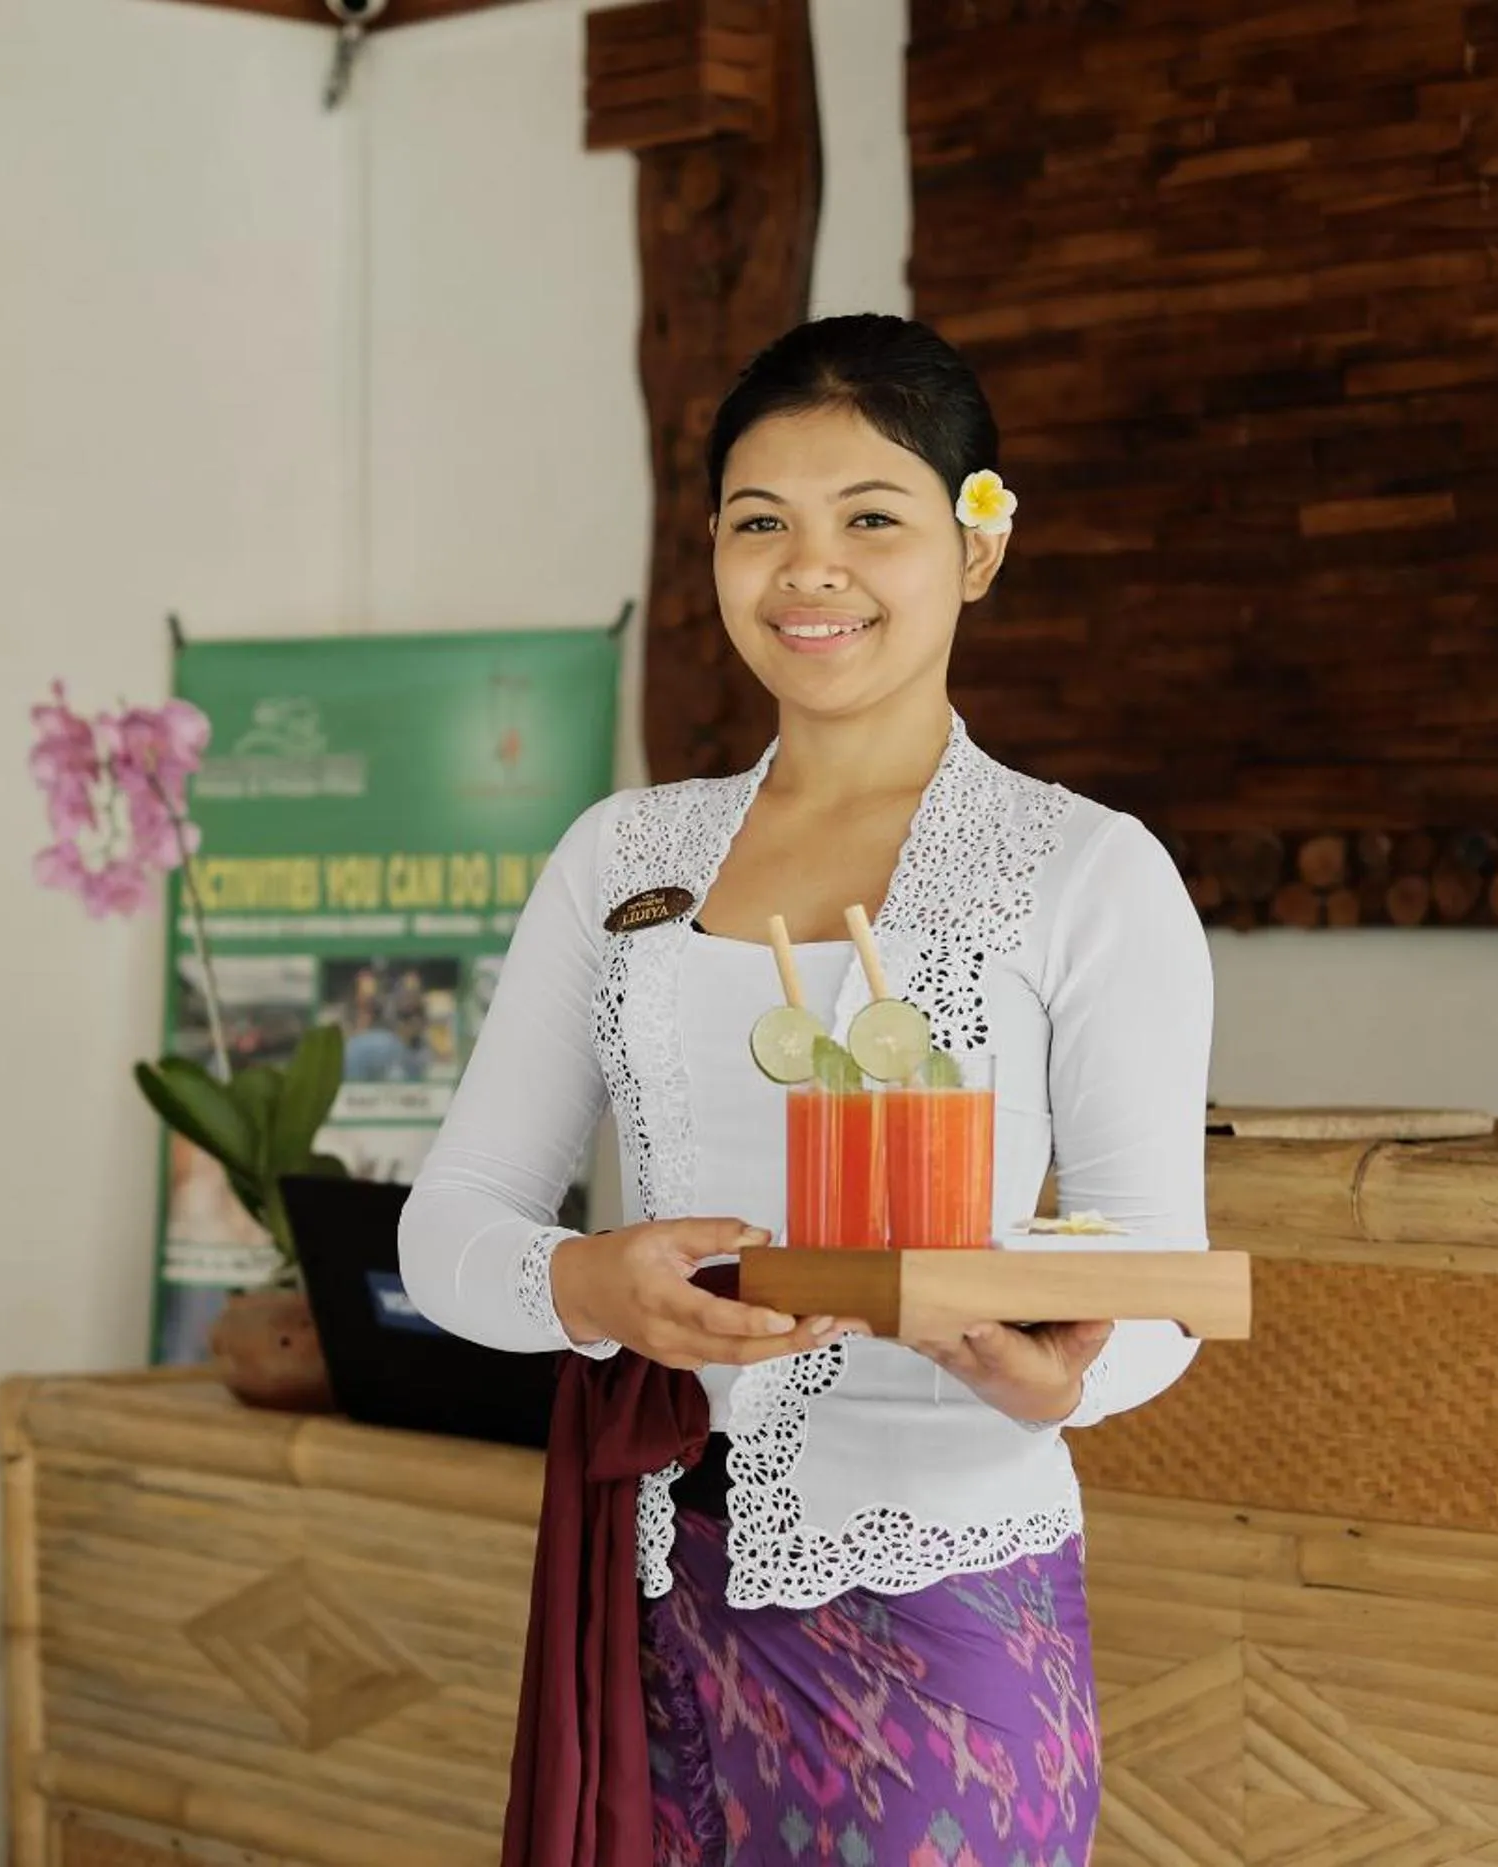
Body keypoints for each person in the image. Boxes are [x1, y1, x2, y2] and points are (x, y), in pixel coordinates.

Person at [399, 313, 1213, 1867]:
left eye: (873, 522)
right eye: (761, 523)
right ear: (710, 549)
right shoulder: (622, 857)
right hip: (650, 1590)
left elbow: (1158, 1285)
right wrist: (588, 1283)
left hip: (945, 1609)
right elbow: (453, 1227)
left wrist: (1062, 1379)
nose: (810, 570)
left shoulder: (1088, 871)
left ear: (979, 548)